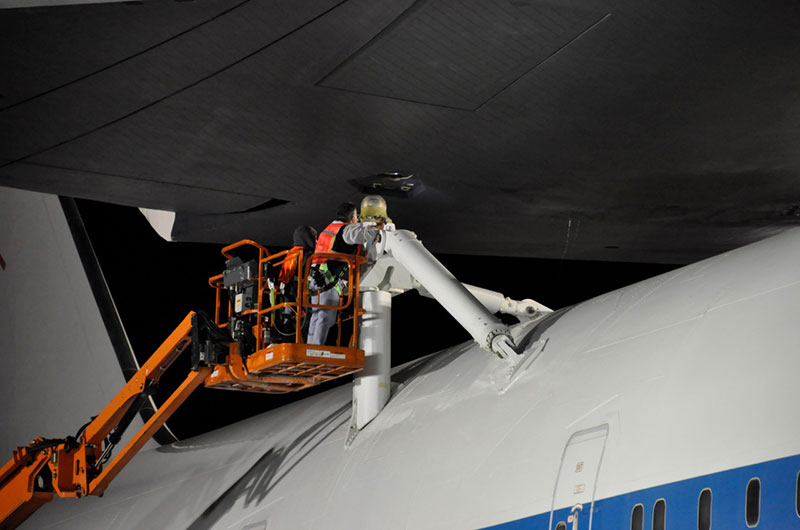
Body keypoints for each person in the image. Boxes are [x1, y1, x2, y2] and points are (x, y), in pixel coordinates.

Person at [307, 201, 384, 345]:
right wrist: (377, 228)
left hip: (316, 277)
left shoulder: (329, 229)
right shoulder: (346, 230)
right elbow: (360, 235)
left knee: (317, 315)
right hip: (329, 278)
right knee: (325, 317)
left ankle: (310, 347)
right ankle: (314, 349)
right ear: (352, 217)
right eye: (356, 216)